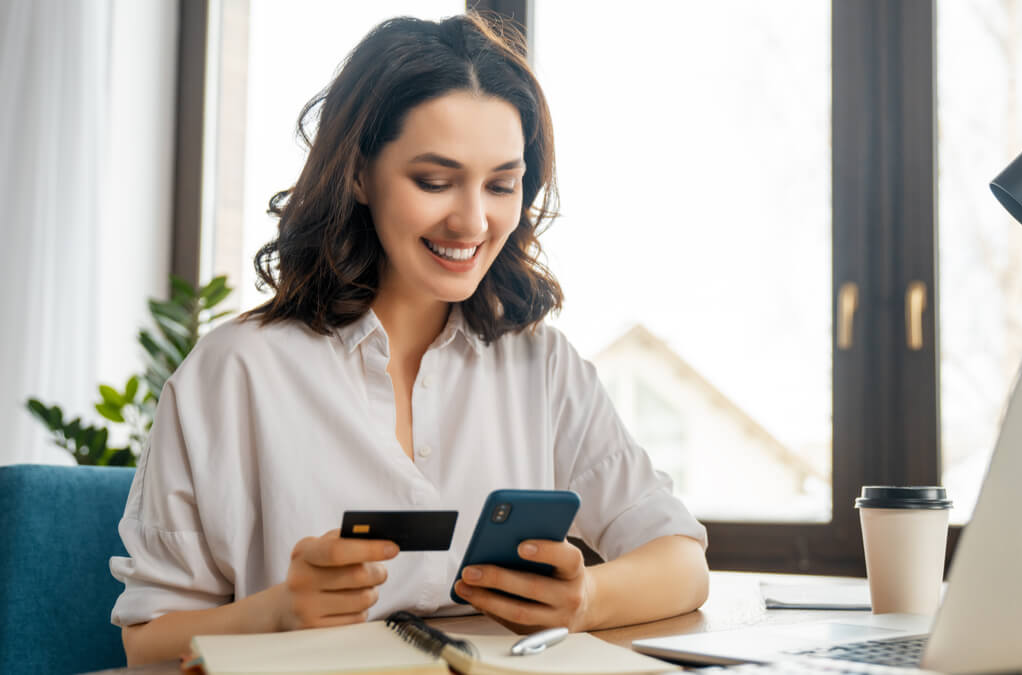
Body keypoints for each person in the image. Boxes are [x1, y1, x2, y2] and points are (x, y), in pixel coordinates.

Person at [111, 12, 709, 666]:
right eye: (434, 180)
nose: (473, 220)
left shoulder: (541, 364)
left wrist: (586, 596)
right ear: (359, 174)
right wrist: (278, 611)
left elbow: (682, 561)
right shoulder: (234, 373)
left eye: (502, 184)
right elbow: (147, 640)